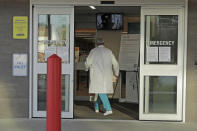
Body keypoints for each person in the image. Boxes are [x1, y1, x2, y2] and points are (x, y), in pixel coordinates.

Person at [85, 38, 119, 116]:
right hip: (107, 75)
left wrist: (86, 68)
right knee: (101, 91)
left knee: (100, 91)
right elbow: (116, 64)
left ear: (96, 44)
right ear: (103, 43)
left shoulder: (93, 51)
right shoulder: (109, 51)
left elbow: (88, 62)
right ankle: (96, 106)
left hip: (97, 75)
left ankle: (108, 109)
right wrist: (116, 74)